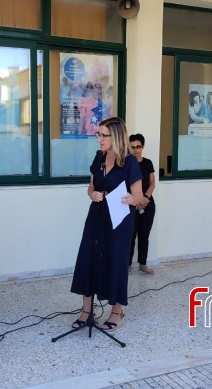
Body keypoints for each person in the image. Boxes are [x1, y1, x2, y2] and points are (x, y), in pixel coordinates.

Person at [70, 117, 143, 331]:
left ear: (116, 136)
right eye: (98, 134)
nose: (99, 139)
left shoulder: (129, 161)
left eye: (103, 135)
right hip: (97, 215)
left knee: (116, 262)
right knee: (88, 258)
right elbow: (91, 186)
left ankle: (117, 312)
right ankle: (87, 311)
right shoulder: (99, 157)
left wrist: (132, 198)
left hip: (119, 219)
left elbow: (139, 195)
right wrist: (92, 194)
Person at [128, 133, 156, 276]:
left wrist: (145, 198)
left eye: (138, 147)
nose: (135, 150)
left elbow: (152, 184)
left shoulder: (148, 163)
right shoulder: (126, 164)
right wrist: (136, 200)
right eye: (132, 147)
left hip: (147, 204)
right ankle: (127, 265)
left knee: (144, 235)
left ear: (143, 147)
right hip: (132, 205)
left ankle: (143, 264)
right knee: (130, 236)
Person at [77, 59, 114, 135]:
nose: (98, 83)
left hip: (107, 141)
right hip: (88, 141)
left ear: (107, 81)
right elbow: (81, 130)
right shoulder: (84, 102)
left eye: (102, 79)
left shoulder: (112, 102)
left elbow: (116, 130)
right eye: (96, 79)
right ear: (91, 80)